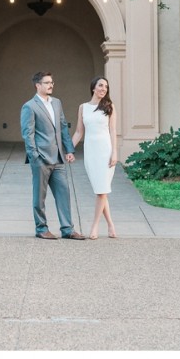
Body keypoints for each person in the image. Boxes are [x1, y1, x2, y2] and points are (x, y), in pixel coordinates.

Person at [20, 71, 86, 240]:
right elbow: (28, 134)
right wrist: (34, 156)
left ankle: (67, 229)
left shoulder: (57, 103)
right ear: (38, 85)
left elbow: (63, 127)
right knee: (39, 196)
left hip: (58, 158)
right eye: (47, 82)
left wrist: (69, 150)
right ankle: (41, 228)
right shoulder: (30, 106)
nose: (51, 85)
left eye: (52, 82)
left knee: (64, 193)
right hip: (41, 158)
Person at [72, 76, 118, 240]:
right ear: (93, 88)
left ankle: (95, 226)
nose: (103, 89)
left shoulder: (109, 107)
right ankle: (111, 225)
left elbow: (113, 131)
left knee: (101, 191)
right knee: (101, 191)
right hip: (91, 153)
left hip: (105, 152)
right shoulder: (83, 107)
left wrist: (114, 153)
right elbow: (79, 132)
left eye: (106, 86)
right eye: (100, 85)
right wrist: (69, 150)